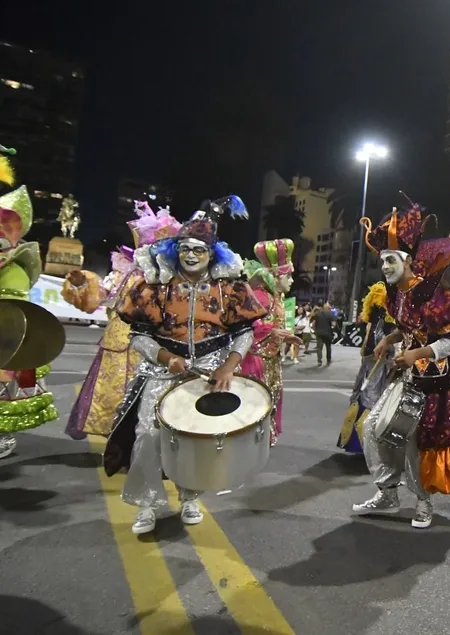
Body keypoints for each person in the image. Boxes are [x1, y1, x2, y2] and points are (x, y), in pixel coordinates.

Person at [103, 196, 267, 535]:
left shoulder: (230, 287)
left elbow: (244, 331)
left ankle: (190, 496)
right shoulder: (156, 284)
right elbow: (138, 336)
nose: (190, 255)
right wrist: (167, 358)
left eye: (199, 250)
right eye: (184, 248)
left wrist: (228, 367)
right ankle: (148, 503)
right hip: (163, 369)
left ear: (213, 253)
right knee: (148, 433)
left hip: (210, 368)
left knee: (196, 436)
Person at [352, 199, 450, 528]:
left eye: (391, 260)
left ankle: (423, 503)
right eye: (382, 261)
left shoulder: (432, 296)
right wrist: (388, 340)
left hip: (433, 382)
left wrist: (415, 355)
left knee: (412, 444)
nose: (385, 267)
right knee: (373, 429)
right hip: (405, 376)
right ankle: (388, 492)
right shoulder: (397, 294)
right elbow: (408, 329)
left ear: (407, 261)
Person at [61, 201, 182, 439]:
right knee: (113, 395)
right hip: (119, 345)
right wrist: (81, 284)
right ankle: (119, 444)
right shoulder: (124, 272)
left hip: (156, 347)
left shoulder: (172, 279)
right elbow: (101, 298)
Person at [0, 184, 65, 459]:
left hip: (5, 343)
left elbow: (12, 313)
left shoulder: (14, 271)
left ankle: (3, 435)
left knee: (4, 392)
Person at [241, 239, 302, 445]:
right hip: (256, 360)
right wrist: (274, 331)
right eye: (289, 275)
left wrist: (282, 334)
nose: (292, 281)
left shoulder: (274, 296)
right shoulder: (261, 296)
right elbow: (247, 325)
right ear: (276, 275)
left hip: (268, 358)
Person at [338, 281, 395, 454]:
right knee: (371, 400)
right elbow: (383, 343)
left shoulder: (376, 317)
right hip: (376, 364)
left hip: (373, 363)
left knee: (366, 398)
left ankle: (362, 445)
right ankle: (367, 446)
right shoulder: (382, 319)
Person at [313, 302, 335, 366]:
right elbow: (333, 324)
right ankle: (328, 360)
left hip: (319, 333)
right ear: (329, 307)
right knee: (328, 347)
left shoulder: (318, 313)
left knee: (319, 348)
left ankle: (319, 361)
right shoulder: (331, 314)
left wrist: (315, 330)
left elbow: (313, 324)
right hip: (327, 333)